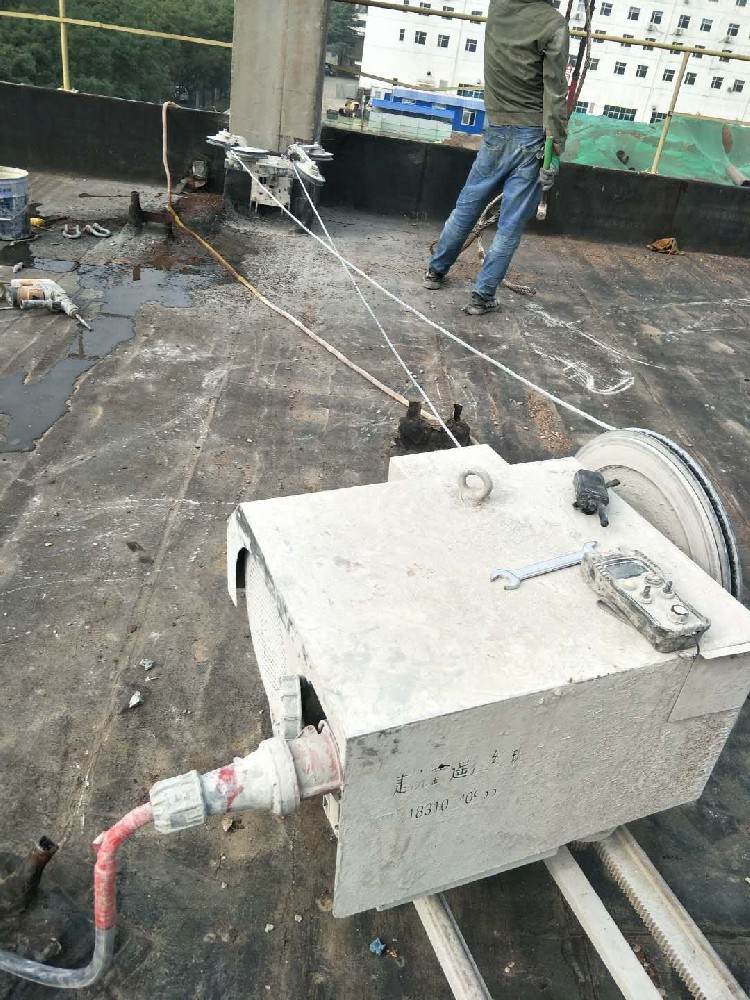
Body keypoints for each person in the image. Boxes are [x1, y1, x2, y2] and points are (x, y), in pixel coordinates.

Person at [424, 0, 569, 315]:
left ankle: (435, 271)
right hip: (533, 137)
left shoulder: (498, 6)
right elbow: (555, 92)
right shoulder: (553, 23)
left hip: (496, 130)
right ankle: (482, 297)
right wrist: (555, 151)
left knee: (466, 207)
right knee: (510, 225)